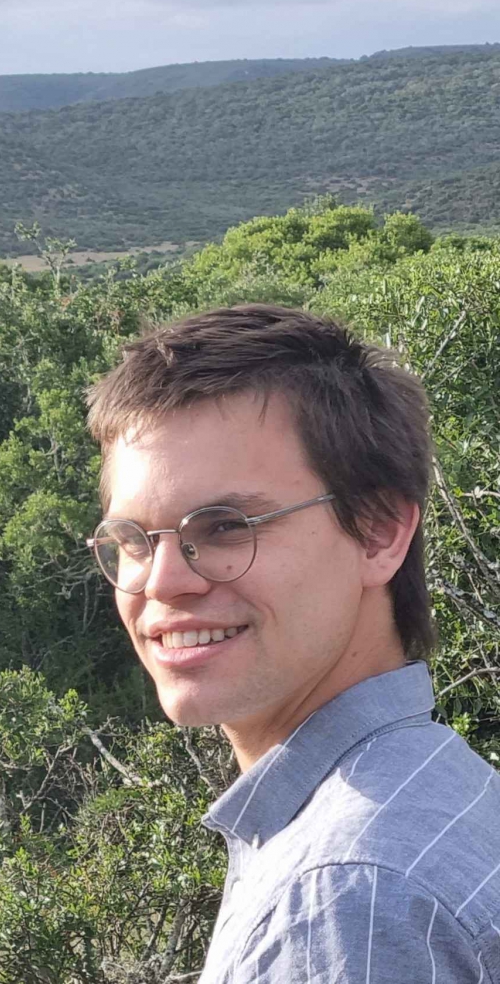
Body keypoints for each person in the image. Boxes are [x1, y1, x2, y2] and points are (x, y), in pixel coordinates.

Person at [84, 303, 500, 982]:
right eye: (132, 539)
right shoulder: (438, 795)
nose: (162, 581)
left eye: (223, 526)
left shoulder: (349, 897)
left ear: (378, 532)